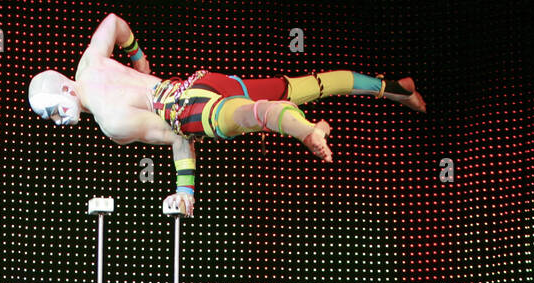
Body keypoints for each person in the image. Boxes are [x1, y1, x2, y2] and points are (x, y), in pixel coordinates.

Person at [29, 13, 426, 216]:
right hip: (202, 81)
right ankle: (398, 90)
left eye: (51, 113)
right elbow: (115, 22)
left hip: (190, 111)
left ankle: (308, 131)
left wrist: (186, 191)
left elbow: (178, 135)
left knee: (261, 113)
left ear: (64, 89)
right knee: (311, 84)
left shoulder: (110, 123)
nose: (55, 121)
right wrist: (138, 57)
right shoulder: (88, 63)